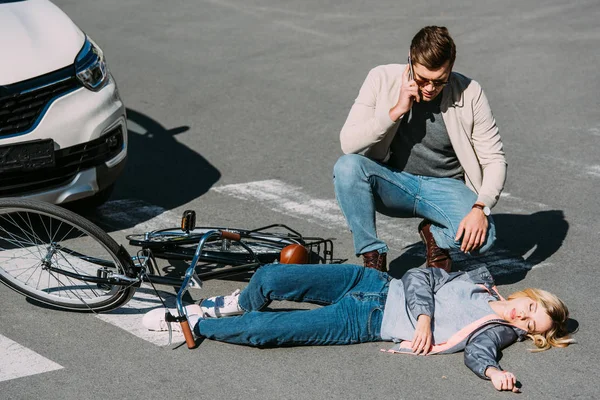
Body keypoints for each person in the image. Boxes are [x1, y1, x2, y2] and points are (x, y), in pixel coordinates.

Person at [143, 263, 573, 392]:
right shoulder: (478, 280)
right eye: (530, 309)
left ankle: (193, 321)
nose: (522, 318)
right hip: (370, 283)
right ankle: (235, 302)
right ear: (527, 295)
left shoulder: (492, 330)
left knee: (264, 332)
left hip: (363, 319)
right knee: (272, 277)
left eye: (532, 326)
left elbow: (481, 354)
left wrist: (494, 372)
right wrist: (424, 317)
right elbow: (423, 275)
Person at [333, 26, 506, 272]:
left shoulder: (470, 92)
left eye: (439, 82)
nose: (429, 88)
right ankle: (373, 258)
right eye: (423, 79)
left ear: (451, 68)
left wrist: (481, 207)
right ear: (410, 60)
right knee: (347, 167)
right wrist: (395, 112)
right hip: (395, 182)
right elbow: (348, 143)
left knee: (484, 238)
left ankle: (434, 235)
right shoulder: (381, 78)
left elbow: (495, 159)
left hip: (447, 187)